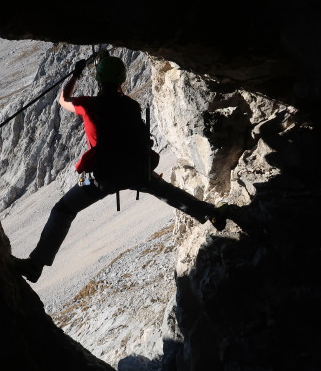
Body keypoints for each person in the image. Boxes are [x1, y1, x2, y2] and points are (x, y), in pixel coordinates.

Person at [12, 54, 232, 283]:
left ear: (98, 79)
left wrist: (75, 75)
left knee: (63, 210)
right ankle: (212, 213)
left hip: (103, 177)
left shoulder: (88, 105)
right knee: (167, 192)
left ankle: (36, 264)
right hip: (137, 171)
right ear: (123, 79)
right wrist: (148, 172)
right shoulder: (132, 106)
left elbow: (63, 99)